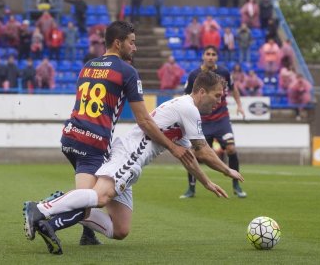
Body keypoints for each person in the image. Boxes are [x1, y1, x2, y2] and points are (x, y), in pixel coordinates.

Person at [23, 71, 244, 255]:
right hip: (129, 155)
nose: (219, 102)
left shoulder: (184, 112)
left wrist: (205, 182)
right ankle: (42, 208)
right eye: (217, 96)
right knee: (100, 197)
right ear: (202, 92)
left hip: (132, 162)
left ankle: (65, 201)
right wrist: (228, 170)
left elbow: (190, 155)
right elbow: (204, 151)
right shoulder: (189, 108)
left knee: (120, 229)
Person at [23, 20, 194, 250]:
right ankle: (45, 212)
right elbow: (144, 121)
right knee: (91, 200)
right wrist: (173, 147)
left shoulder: (88, 65)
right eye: (132, 43)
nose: (135, 48)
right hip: (93, 142)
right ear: (118, 43)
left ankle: (87, 234)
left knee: (92, 198)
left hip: (71, 137)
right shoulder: (127, 72)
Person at [181, 45, 247, 199]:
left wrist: (239, 105)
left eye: (213, 54)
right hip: (202, 121)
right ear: (203, 56)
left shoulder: (224, 72)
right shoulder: (194, 75)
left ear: (217, 57)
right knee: (195, 154)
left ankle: (236, 185)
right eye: (208, 54)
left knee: (230, 148)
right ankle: (191, 188)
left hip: (221, 120)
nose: (210, 56)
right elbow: (186, 95)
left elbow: (233, 89)